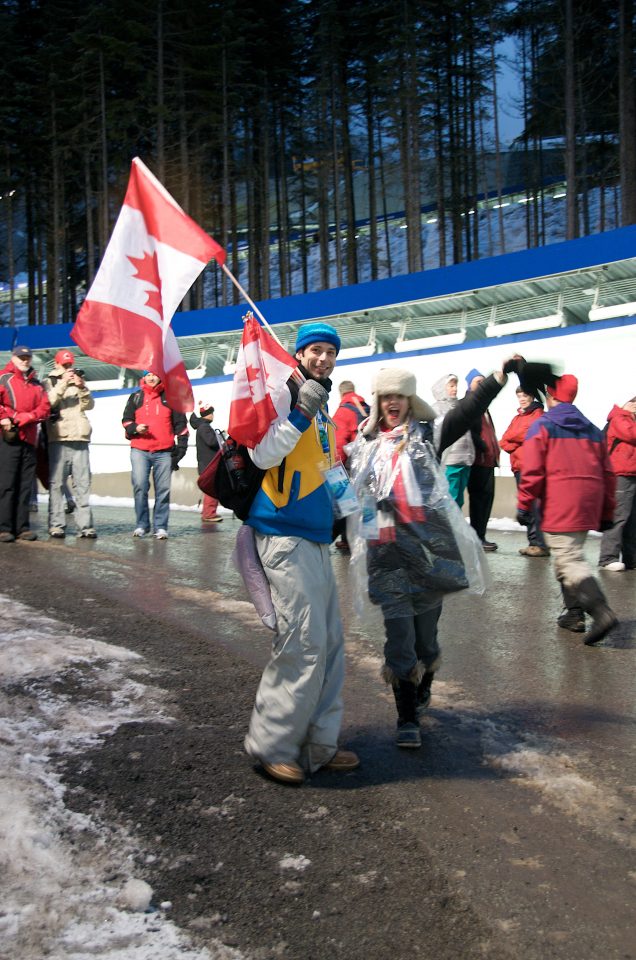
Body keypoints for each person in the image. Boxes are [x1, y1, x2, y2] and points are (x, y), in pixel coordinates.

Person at [348, 361, 510, 748]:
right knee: (399, 641)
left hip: (428, 553)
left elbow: (465, 411)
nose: (393, 402)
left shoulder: (428, 435)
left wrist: (496, 379)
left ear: (410, 400)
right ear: (378, 400)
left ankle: (424, 687)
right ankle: (407, 718)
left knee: (426, 642)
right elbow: (348, 494)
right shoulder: (363, 446)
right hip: (386, 556)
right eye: (386, 395)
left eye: (400, 396)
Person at [243, 321, 360, 785]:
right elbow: (262, 455)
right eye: (314, 350)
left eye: (330, 352)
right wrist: (298, 414)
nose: (323, 358)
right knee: (301, 641)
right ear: (299, 354)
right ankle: (273, 745)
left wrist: (350, 508)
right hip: (282, 533)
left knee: (329, 644)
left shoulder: (325, 409)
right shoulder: (284, 394)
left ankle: (318, 745)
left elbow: (324, 467)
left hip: (314, 537)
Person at [517, 374, 618, 645]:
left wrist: (524, 503)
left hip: (559, 504)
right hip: (587, 503)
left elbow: (532, 471)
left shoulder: (543, 425)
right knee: (567, 557)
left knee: (570, 559)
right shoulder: (593, 429)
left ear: (551, 396)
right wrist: (607, 511)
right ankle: (573, 613)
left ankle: (600, 611)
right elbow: (609, 473)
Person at [122, 371, 188, 539]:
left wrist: (180, 450)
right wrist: (135, 428)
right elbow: (126, 419)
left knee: (163, 490)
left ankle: (160, 526)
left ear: (161, 377)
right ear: (143, 377)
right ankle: (142, 525)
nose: (151, 378)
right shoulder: (136, 396)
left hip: (164, 452)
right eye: (148, 375)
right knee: (140, 486)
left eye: (155, 374)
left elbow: (181, 425)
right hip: (139, 450)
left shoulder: (172, 397)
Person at [43, 348, 97, 539]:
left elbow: (89, 405)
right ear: (57, 364)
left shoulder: (78, 380)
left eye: (70, 364)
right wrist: (63, 384)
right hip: (58, 437)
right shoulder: (49, 381)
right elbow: (47, 403)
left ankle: (85, 527)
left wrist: (82, 388)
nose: (68, 367)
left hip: (80, 438)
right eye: (65, 364)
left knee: (83, 484)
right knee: (57, 484)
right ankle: (56, 525)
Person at [0, 345, 51, 543]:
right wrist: (9, 417)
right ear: (13, 358)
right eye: (21, 357)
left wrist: (28, 417)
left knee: (24, 485)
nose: (24, 360)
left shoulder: (37, 384)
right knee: (6, 484)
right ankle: (4, 527)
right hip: (8, 437)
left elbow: (45, 408)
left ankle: (22, 527)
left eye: (27, 357)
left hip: (30, 439)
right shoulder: (4, 378)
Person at [500, 387, 550, 557]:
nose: (521, 398)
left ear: (532, 396)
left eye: (525, 395)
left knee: (534, 505)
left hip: (531, 467)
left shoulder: (537, 414)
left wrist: (514, 439)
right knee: (527, 505)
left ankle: (540, 544)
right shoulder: (518, 417)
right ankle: (533, 543)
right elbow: (504, 440)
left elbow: (528, 433)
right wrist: (516, 441)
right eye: (519, 395)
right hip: (518, 467)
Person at [598, 396, 636, 572]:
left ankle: (631, 559)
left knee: (632, 520)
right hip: (621, 474)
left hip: (632, 474)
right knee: (619, 516)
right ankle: (608, 558)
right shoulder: (619, 417)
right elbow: (631, 434)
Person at [332, 380, 369, 551]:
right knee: (367, 502)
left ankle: (347, 540)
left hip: (350, 467)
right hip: (369, 465)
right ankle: (370, 537)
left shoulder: (342, 412)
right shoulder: (367, 408)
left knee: (346, 504)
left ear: (341, 394)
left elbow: (338, 442)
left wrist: (334, 470)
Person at [465, 368, 500, 552]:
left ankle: (481, 535)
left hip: (488, 460)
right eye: (477, 382)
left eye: (482, 381)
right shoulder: (471, 404)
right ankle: (477, 537)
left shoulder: (483, 405)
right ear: (469, 384)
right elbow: (470, 429)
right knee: (479, 500)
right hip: (478, 460)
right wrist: (483, 446)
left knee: (486, 499)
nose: (481, 385)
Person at [431, 373, 475, 507]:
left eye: (455, 385)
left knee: (459, 500)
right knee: (451, 499)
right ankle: (450, 527)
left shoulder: (458, 406)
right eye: (451, 385)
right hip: (450, 460)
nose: (454, 389)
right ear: (442, 388)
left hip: (465, 459)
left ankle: (456, 525)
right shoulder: (437, 408)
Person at [189, 400, 222, 523]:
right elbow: (212, 442)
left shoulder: (203, 427)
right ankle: (209, 513)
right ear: (207, 414)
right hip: (209, 464)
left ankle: (207, 512)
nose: (213, 415)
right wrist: (222, 435)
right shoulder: (204, 427)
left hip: (206, 464)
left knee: (211, 488)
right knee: (212, 489)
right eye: (211, 413)